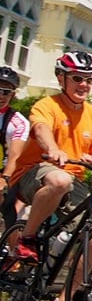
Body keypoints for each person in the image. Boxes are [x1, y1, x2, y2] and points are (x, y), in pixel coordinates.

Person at [7, 51, 92, 301]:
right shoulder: (46, 105)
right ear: (61, 78)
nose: (84, 84)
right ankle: (27, 237)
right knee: (60, 180)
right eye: (77, 78)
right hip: (35, 174)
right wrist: (52, 148)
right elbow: (40, 129)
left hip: (74, 180)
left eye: (89, 79)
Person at [0, 66, 29, 224]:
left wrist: (4, 179)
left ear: (13, 95)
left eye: (6, 92)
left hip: (5, 174)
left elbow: (14, 158)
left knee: (12, 216)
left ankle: (13, 247)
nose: (1, 95)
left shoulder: (18, 123)